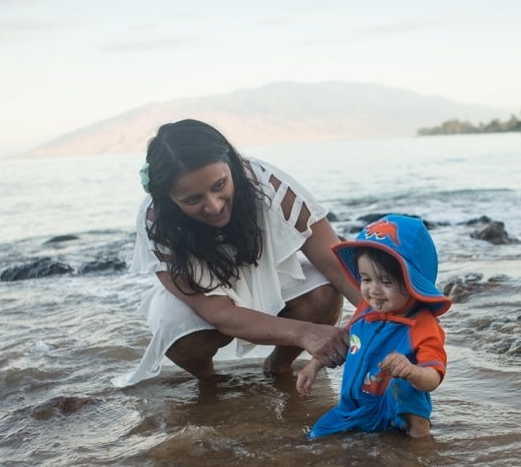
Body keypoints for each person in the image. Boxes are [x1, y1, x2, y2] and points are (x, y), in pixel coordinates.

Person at [114, 118, 359, 386]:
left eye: (219, 185)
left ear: (231, 163)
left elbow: (335, 263)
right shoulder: (155, 221)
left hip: (269, 280)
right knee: (177, 330)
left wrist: (396, 318)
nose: (214, 205)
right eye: (192, 199)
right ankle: (212, 384)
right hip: (208, 304)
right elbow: (218, 312)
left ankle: (279, 368)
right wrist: (305, 333)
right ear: (168, 199)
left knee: (324, 291)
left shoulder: (268, 184)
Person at [296, 215, 450, 441]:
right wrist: (313, 366)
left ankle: (420, 441)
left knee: (404, 387)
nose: (373, 291)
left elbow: (433, 377)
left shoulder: (422, 324)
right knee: (313, 439)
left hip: (390, 408)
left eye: (386, 282)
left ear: (412, 283)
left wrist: (411, 371)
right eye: (366, 279)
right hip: (352, 409)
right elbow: (345, 342)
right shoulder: (364, 312)